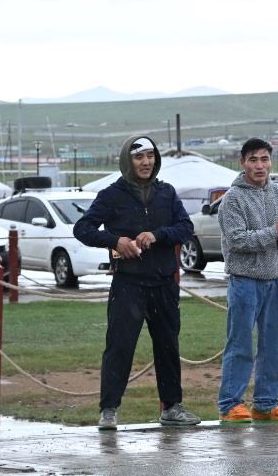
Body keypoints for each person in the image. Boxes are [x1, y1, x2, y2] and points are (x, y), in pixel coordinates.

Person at [72, 136, 199, 430]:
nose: (146, 162)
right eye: (139, 157)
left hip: (164, 283)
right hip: (128, 283)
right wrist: (115, 241)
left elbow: (185, 228)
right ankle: (109, 410)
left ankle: (172, 407)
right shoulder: (111, 195)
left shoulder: (167, 193)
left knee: (168, 346)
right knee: (119, 346)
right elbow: (83, 228)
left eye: (150, 156)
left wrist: (158, 235)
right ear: (127, 161)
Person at [217, 137, 278, 422]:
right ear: (242, 163)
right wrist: (276, 230)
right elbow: (238, 241)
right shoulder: (232, 199)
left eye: (264, 159)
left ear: (271, 162)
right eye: (253, 160)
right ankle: (230, 404)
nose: (259, 165)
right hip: (244, 281)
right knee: (240, 344)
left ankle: (266, 403)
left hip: (276, 279)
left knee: (275, 344)